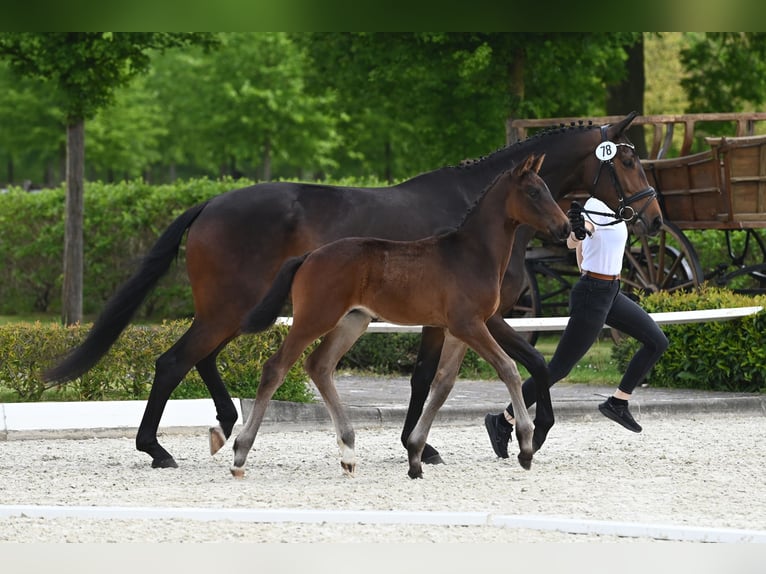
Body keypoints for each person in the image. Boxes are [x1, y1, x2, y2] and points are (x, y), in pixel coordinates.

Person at [484, 196, 669, 459]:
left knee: (657, 341)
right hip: (592, 294)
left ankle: (618, 402)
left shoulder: (619, 209)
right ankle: (503, 421)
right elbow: (577, 237)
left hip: (612, 292)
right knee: (558, 369)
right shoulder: (592, 206)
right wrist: (580, 232)